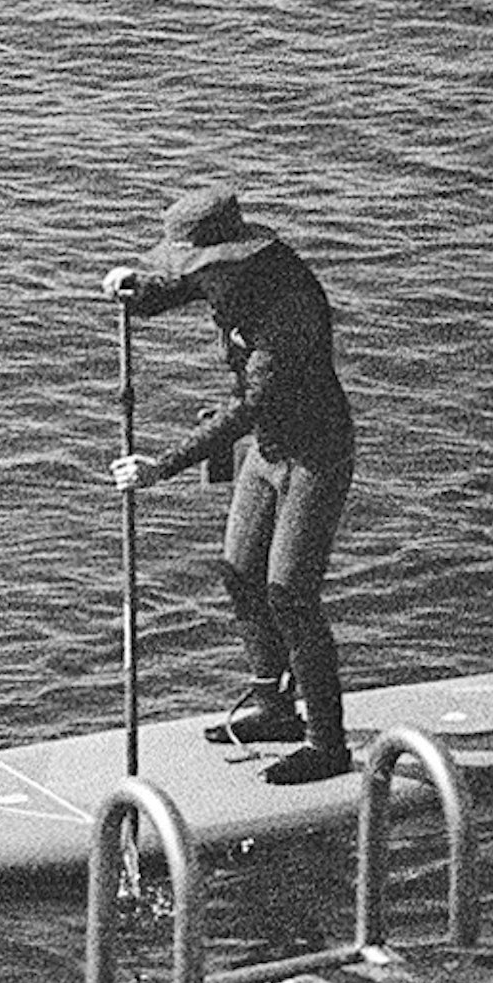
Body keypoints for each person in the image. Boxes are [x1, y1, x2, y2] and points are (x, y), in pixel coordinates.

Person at [111, 188, 356, 783]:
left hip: (314, 453)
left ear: (231, 259)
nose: (200, 284)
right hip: (268, 450)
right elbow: (177, 288)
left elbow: (248, 407)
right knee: (239, 572)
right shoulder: (225, 274)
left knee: (290, 594)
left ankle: (328, 745)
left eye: (203, 272)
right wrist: (134, 290)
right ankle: (274, 708)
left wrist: (160, 466)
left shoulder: (288, 305)